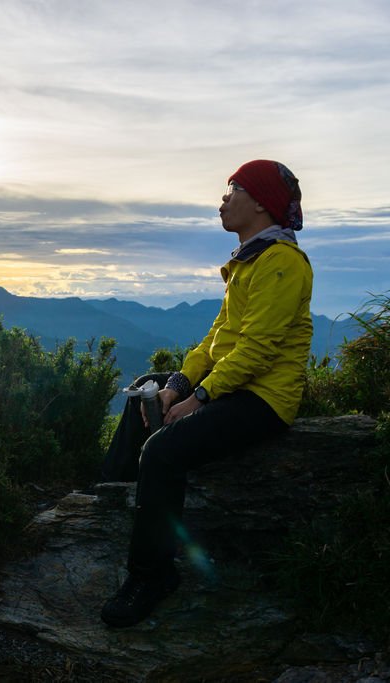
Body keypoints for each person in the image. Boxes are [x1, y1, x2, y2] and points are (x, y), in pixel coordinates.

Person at [99, 159, 313, 628]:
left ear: (260, 202)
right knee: (147, 390)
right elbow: (217, 339)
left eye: (231, 189)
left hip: (263, 400)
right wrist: (177, 385)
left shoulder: (281, 263)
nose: (222, 200)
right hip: (235, 386)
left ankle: (153, 576)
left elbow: (257, 350)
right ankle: (109, 498)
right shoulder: (248, 261)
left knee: (163, 452)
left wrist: (201, 398)